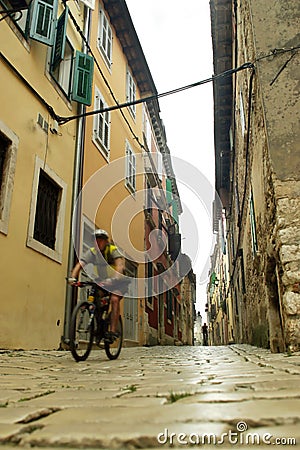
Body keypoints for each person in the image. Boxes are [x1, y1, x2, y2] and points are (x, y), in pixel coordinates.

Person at [68, 229, 126, 342]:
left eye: (100, 240)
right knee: (96, 300)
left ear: (105, 241)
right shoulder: (92, 252)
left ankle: (112, 331)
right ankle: (99, 327)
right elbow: (80, 264)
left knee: (114, 299)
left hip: (118, 281)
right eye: (95, 241)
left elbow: (120, 266)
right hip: (102, 280)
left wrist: (114, 279)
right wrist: (73, 278)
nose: (97, 243)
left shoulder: (112, 250)